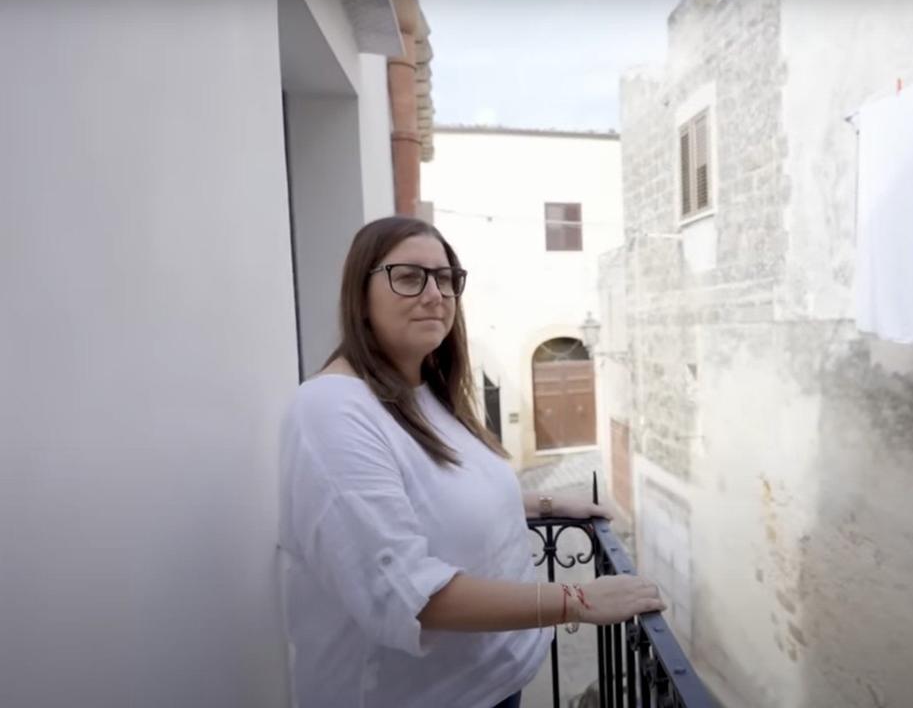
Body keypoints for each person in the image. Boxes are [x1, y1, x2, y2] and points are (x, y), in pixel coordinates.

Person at [278, 216, 666, 708]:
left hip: (492, 685)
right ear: (359, 292)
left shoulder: (423, 392)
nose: (435, 294)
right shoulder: (330, 411)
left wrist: (541, 501)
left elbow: (434, 494)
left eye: (445, 278)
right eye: (408, 276)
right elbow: (408, 595)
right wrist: (579, 600)